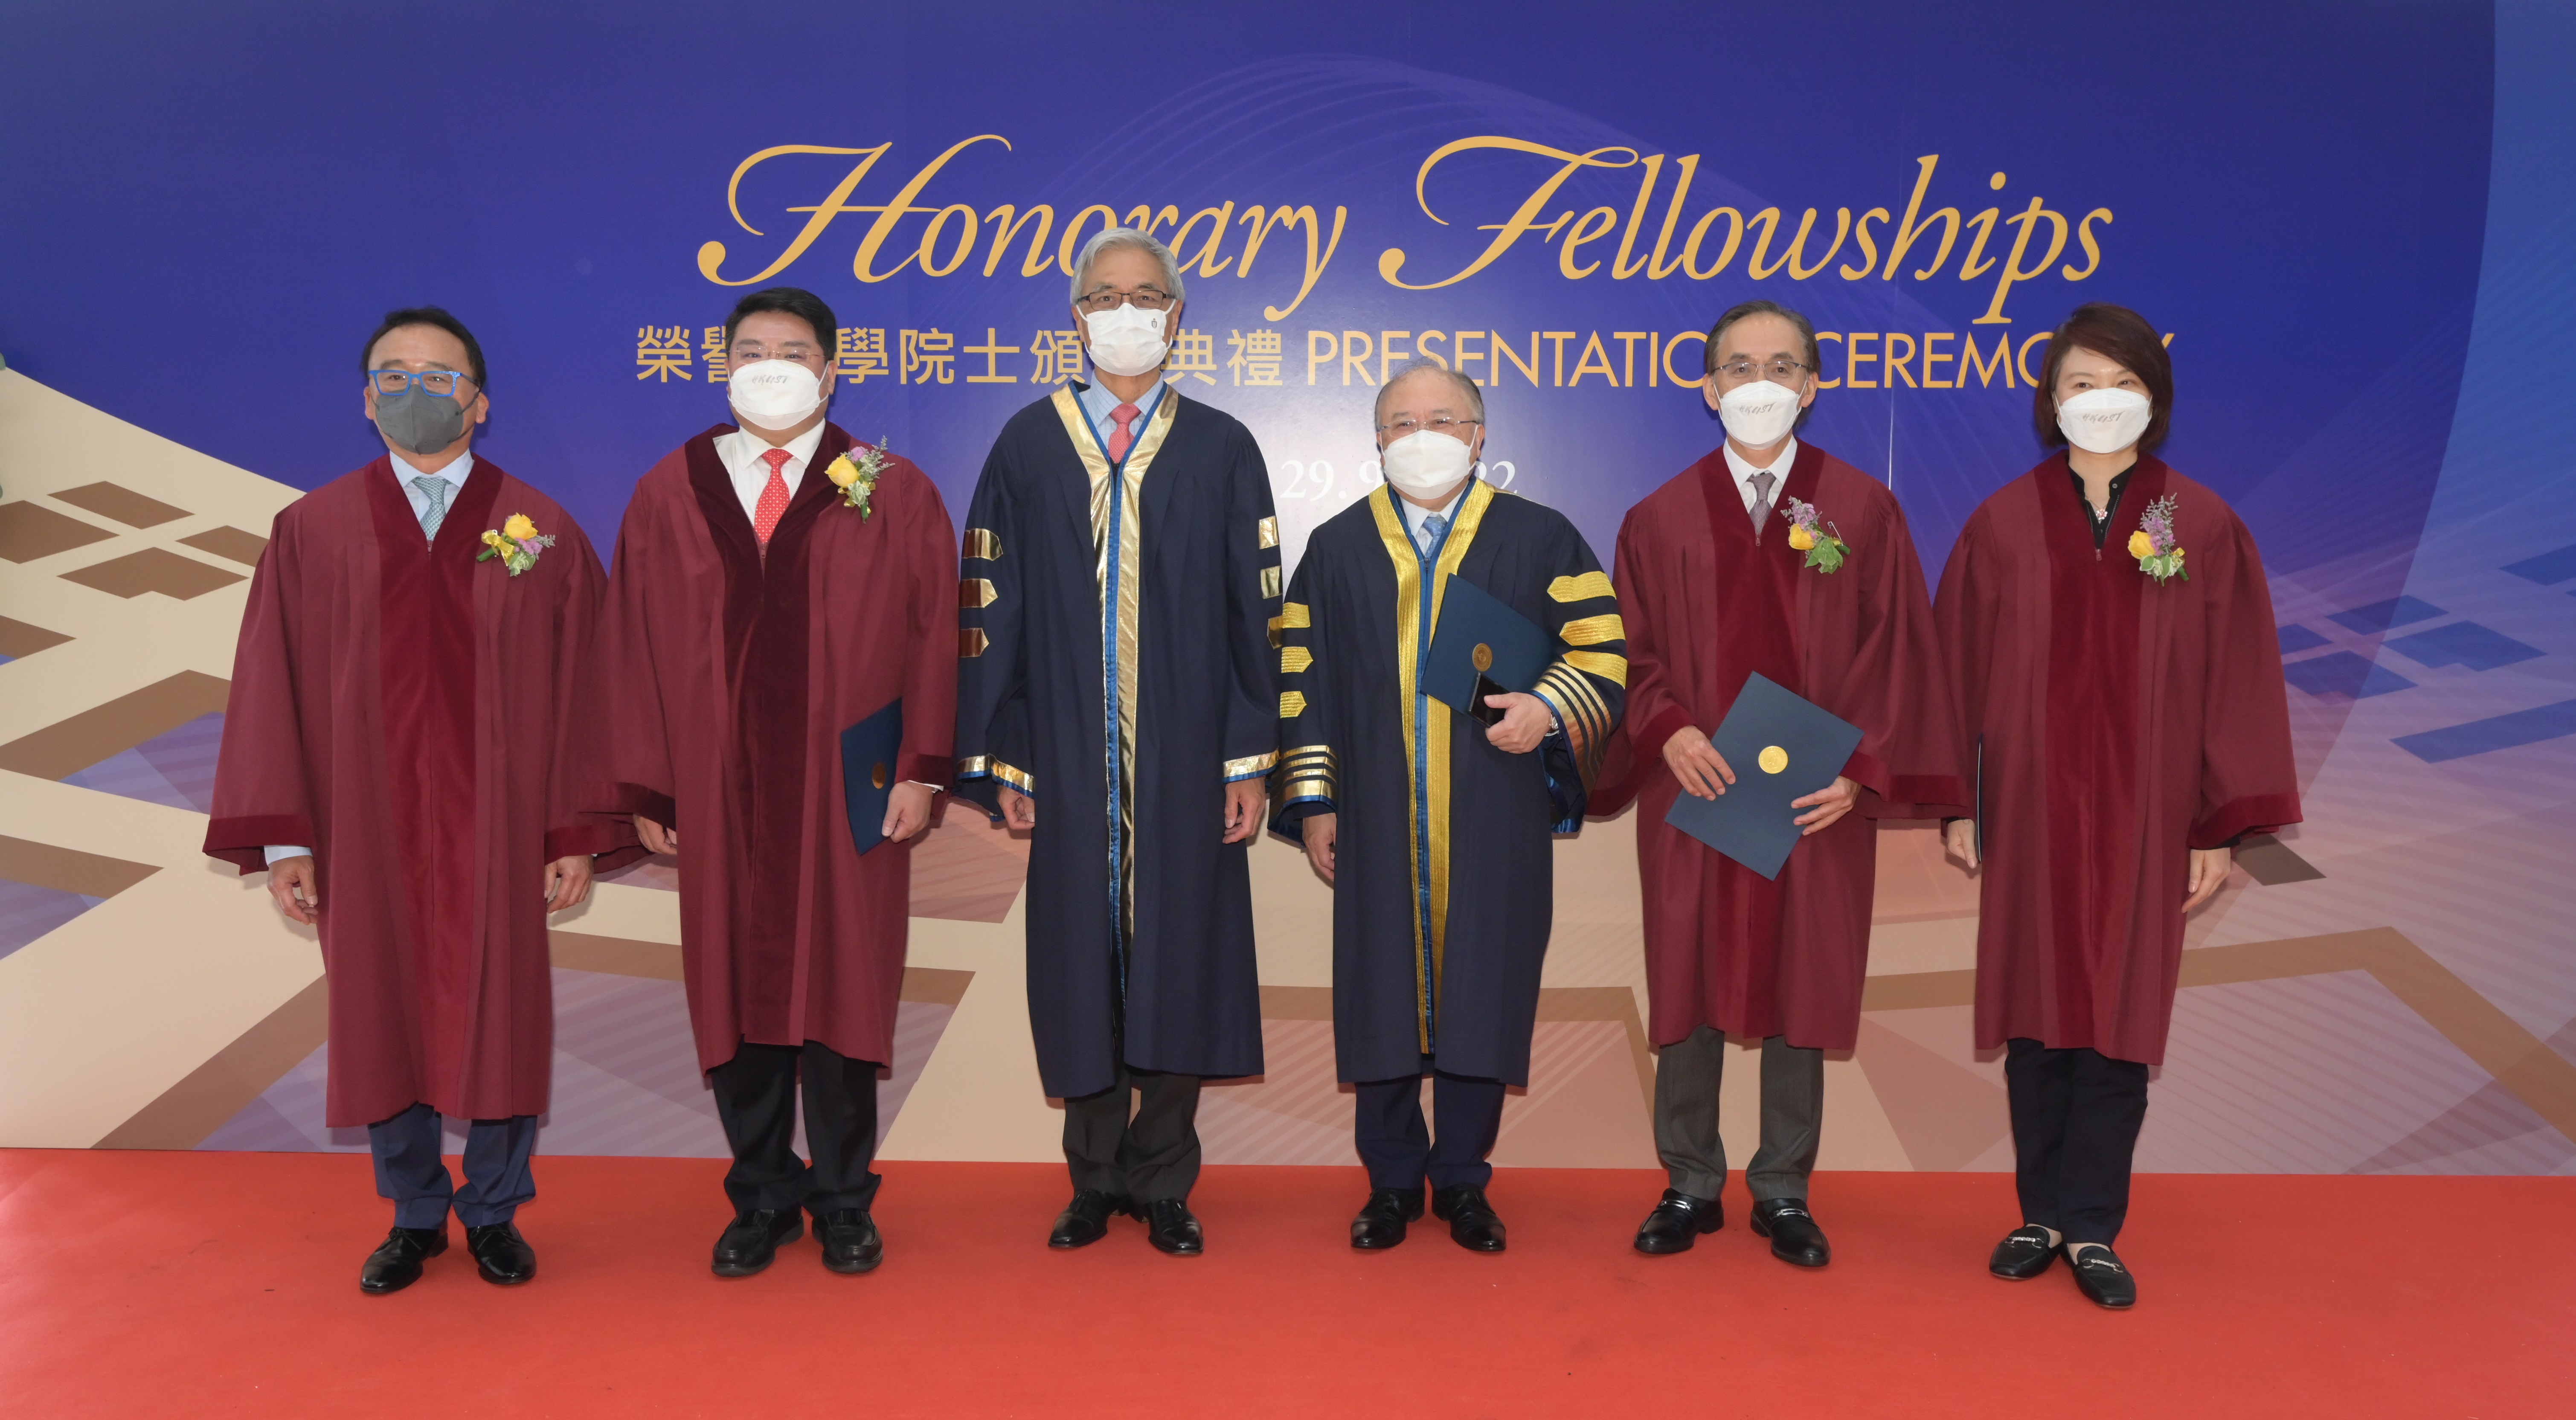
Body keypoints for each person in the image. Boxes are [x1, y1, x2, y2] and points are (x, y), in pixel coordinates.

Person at [204, 307, 622, 1294]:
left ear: (478, 403)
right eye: (393, 374)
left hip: (501, 831)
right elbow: (273, 690)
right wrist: (285, 843)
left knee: (502, 1015)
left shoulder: (543, 531)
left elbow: (587, 695)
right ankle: (414, 1213)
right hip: (366, 829)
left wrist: (572, 830)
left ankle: (492, 1211)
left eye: (440, 377)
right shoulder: (312, 532)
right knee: (381, 1014)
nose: (415, 392)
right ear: (365, 399)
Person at [1935, 302, 2300, 1309]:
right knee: (2035, 1014)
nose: (2101, 402)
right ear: (2050, 401)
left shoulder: (2202, 525)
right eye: (2079, 384)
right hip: (2028, 805)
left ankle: (2091, 1226)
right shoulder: (2000, 524)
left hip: (2146, 817)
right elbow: (1952, 670)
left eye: (2122, 384)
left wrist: (2218, 824)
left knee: (2116, 1019)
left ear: (2155, 399)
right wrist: (1960, 801)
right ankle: (2036, 1214)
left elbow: (2236, 680)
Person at [589, 286, 957, 1278]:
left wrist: (923, 768)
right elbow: (631, 645)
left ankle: (843, 1199)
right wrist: (652, 787)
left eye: (793, 350)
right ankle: (760, 1195)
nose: (771, 363)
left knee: (842, 988)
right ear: (720, 365)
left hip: (852, 787)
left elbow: (933, 638)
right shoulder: (670, 492)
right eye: (751, 348)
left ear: (832, 371)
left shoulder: (893, 488)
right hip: (718, 790)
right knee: (735, 988)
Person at [1592, 300, 1966, 1268]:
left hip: (1815, 797)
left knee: (1805, 972)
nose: (1760, 381)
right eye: (1739, 365)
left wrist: (1862, 767)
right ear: (1706, 385)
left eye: (1781, 365)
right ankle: (1687, 1179)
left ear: (1811, 384)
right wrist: (1666, 731)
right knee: (1689, 972)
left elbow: (1900, 655)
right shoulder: (1658, 519)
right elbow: (1624, 652)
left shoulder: (1862, 510)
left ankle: (1784, 1187)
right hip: (1696, 788)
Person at [953, 228, 1280, 1256]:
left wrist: (1245, 758)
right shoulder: (1025, 443)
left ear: (1176, 316)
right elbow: (988, 611)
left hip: (1188, 751)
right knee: (1078, 959)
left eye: (1146, 294)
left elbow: (1253, 619)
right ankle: (1094, 1177)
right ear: (1076, 314)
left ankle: (1166, 1180)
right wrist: (1009, 756)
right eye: (1105, 294)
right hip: (1064, 743)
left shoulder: (1222, 445)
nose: (1126, 309)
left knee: (1182, 951)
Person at [1275, 360, 1625, 1253]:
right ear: (1378, 439)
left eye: (1442, 418)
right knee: (1379, 988)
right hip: (1375, 815)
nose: (1419, 434)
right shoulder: (1339, 545)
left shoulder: (1540, 538)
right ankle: (1390, 1183)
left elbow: (1602, 652)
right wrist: (1315, 803)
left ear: (1478, 437)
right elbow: (1300, 686)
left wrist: (1549, 707)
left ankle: (1464, 1182)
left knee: (1484, 986)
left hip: (1493, 808)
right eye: (1400, 420)